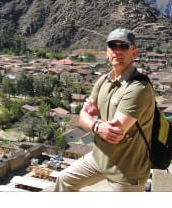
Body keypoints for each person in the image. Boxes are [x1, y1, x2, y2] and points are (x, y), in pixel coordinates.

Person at [55, 28, 156, 192]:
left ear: (134, 53)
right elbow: (82, 116)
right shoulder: (103, 80)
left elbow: (114, 133)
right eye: (112, 46)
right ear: (107, 52)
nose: (117, 51)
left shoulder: (139, 87)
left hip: (127, 169)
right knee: (64, 180)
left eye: (123, 46)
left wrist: (93, 120)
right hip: (99, 158)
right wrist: (97, 126)